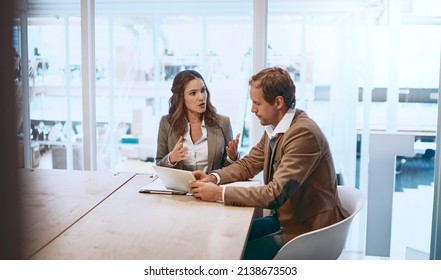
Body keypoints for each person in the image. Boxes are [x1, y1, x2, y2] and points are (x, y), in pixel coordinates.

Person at [189, 66, 348, 259]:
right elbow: (248, 164)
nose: (252, 109)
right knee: (221, 237)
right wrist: (214, 178)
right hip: (285, 220)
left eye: (257, 103)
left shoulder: (302, 134)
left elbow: (275, 194)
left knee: (227, 253)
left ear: (278, 102)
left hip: (306, 231)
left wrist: (218, 193)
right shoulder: (277, 128)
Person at [156, 69, 240, 174]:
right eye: (193, 93)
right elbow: (159, 165)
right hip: (180, 188)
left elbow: (229, 169)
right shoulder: (166, 123)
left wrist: (232, 157)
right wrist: (171, 159)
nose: (201, 97)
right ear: (181, 97)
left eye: (203, 90)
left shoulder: (223, 122)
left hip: (211, 187)